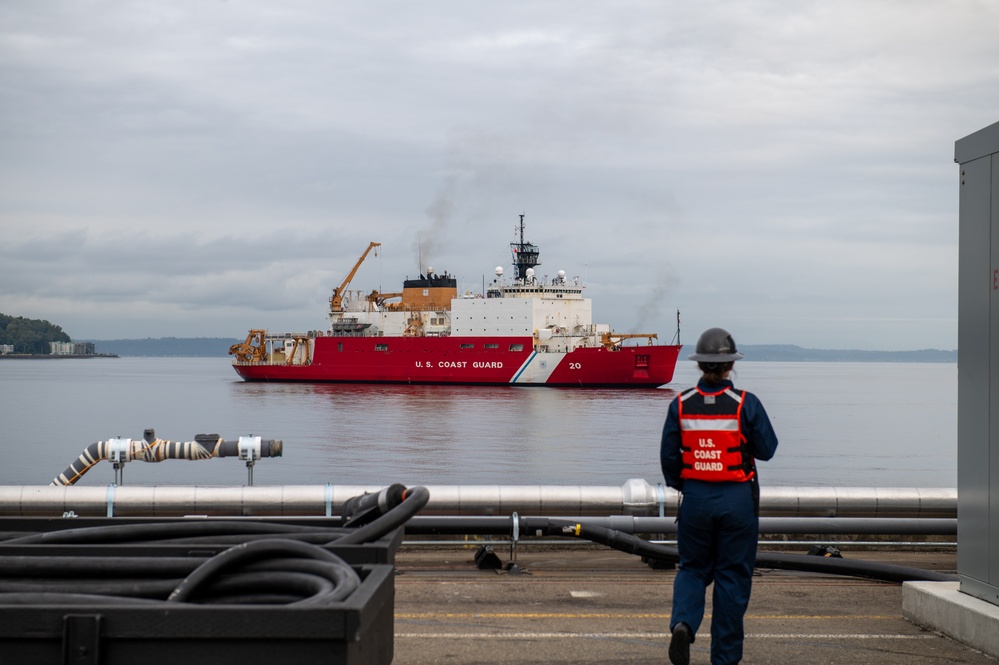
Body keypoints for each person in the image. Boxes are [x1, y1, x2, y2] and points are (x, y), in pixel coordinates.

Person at [660, 327, 778, 665]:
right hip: (737, 503)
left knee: (693, 570)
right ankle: (724, 659)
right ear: (730, 366)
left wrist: (688, 486)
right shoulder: (745, 404)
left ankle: (683, 624)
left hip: (695, 500)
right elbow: (767, 450)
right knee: (732, 578)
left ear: (700, 365)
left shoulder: (680, 405)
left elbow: (669, 458)